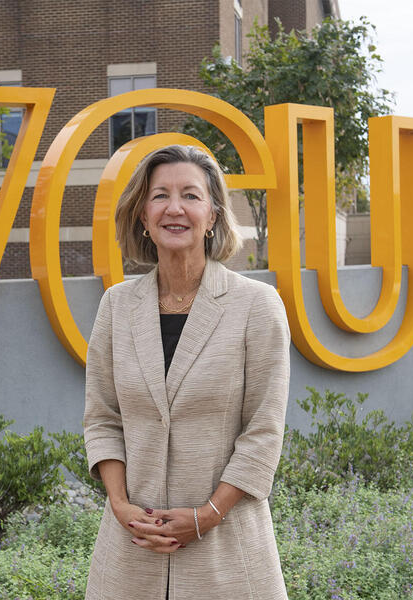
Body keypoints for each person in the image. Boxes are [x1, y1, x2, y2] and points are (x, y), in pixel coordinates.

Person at [83, 145, 291, 599]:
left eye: (191, 196)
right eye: (160, 195)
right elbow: (103, 418)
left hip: (226, 551)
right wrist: (120, 506)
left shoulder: (256, 306)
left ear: (213, 215)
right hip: (132, 548)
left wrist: (208, 514)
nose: (174, 208)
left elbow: (263, 431)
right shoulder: (116, 307)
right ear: (142, 214)